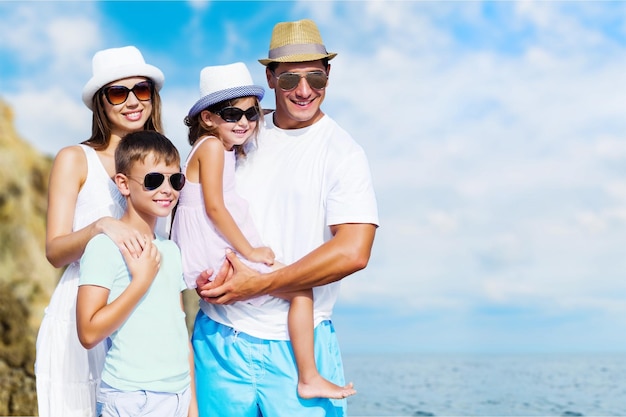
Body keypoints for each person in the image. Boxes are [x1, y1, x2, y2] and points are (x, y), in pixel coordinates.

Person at [192, 19, 379, 416]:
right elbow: (189, 197)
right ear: (271, 77)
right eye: (291, 77)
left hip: (297, 348)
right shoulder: (239, 131)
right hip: (218, 340)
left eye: (315, 77)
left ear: (328, 74)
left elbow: (353, 252)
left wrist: (258, 284)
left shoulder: (343, 153)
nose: (304, 90)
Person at [171, 62, 356, 404]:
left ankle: (308, 376)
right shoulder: (212, 149)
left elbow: (256, 120)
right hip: (215, 251)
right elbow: (215, 208)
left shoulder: (222, 144)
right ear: (207, 119)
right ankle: (309, 377)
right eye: (231, 114)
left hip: (209, 251)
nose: (243, 123)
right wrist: (251, 251)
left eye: (250, 114)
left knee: (298, 290)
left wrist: (264, 114)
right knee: (300, 291)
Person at [35, 46, 167, 417]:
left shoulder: (166, 163)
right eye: (117, 92)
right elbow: (55, 251)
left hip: (144, 312)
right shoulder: (75, 158)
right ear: (100, 103)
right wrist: (100, 226)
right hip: (81, 312)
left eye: (141, 90)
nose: (131, 101)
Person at [76, 131, 196, 417]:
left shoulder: (170, 250)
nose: (167, 189)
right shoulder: (104, 247)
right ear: (123, 184)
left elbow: (180, 331)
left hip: (179, 395)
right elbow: (88, 332)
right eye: (154, 180)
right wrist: (140, 283)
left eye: (175, 179)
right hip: (132, 397)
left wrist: (192, 406)